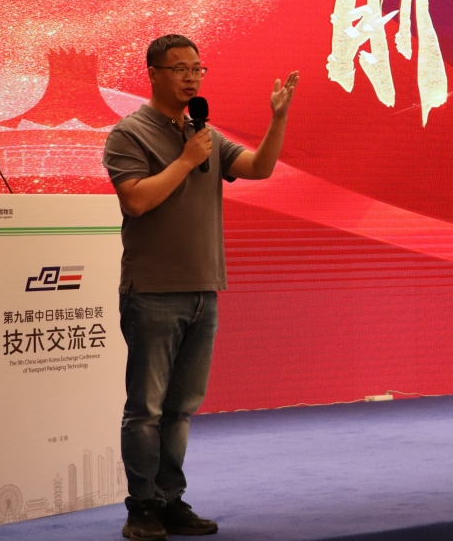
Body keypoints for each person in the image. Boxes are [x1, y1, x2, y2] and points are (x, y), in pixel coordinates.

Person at [102, 34, 298, 541]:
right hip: (152, 291)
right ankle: (142, 507)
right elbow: (136, 201)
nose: (191, 77)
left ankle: (170, 500)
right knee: (145, 410)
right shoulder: (129, 133)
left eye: (197, 68)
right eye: (180, 69)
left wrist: (277, 119)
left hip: (203, 289)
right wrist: (187, 160)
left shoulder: (202, 132)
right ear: (153, 73)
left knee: (180, 410)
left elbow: (259, 168)